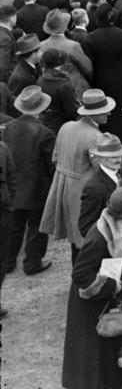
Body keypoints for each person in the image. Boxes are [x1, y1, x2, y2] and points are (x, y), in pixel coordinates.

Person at [62, 186, 122, 389]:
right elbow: (80, 274)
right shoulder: (99, 237)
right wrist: (113, 285)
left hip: (105, 297)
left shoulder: (118, 224)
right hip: (93, 303)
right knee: (98, 352)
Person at [41, 88, 113, 257]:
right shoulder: (95, 136)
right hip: (83, 193)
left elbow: (55, 158)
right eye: (104, 111)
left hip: (63, 189)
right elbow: (103, 172)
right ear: (92, 114)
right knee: (88, 239)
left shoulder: (66, 127)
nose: (108, 114)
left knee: (76, 240)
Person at [3, 85, 56, 275]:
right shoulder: (45, 133)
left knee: (15, 227)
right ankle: (32, 263)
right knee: (36, 228)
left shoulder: (7, 129)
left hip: (13, 188)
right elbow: (51, 164)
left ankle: (8, 262)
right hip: (37, 188)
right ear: (41, 108)